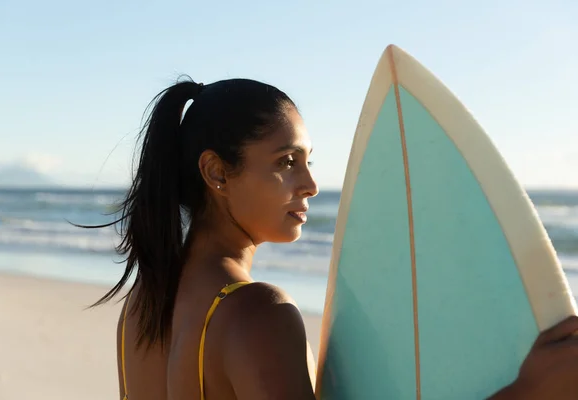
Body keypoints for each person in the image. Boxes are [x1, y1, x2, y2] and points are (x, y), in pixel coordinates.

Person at [88, 77, 578, 400]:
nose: (311, 184)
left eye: (308, 160)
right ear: (217, 171)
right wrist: (529, 389)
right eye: (286, 162)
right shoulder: (258, 313)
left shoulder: (141, 307)